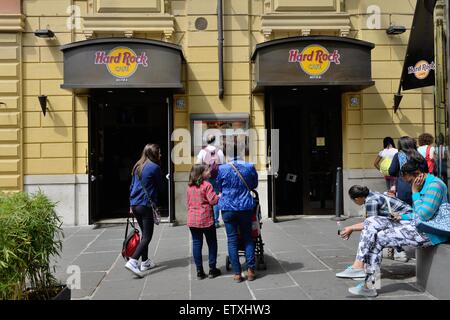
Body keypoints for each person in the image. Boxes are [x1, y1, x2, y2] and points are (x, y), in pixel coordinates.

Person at [346, 158, 449, 297]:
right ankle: (361, 269)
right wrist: (402, 217)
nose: (409, 184)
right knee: (371, 222)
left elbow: (424, 215)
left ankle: (367, 282)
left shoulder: (435, 185)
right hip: (418, 226)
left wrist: (415, 192)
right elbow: (417, 213)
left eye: (409, 180)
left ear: (418, 174)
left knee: (380, 238)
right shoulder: (422, 183)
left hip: (430, 233)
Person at [335, 185, 413, 280]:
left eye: (353, 200)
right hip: (402, 219)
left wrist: (351, 228)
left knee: (371, 234)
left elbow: (371, 223)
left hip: (406, 221)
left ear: (357, 198)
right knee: (374, 236)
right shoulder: (372, 195)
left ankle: (361, 269)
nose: (354, 202)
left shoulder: (371, 201)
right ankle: (367, 272)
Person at [216, 138, 258, 282]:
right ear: (240, 151)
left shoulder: (222, 168)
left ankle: (237, 273)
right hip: (245, 206)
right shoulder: (249, 166)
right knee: (248, 237)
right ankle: (251, 270)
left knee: (232, 240)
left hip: (228, 207)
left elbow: (219, 187)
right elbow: (254, 184)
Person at [126, 144, 163, 277]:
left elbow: (131, 185)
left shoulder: (137, 165)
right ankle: (133, 261)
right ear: (153, 154)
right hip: (146, 204)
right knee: (147, 236)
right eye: (159, 152)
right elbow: (161, 187)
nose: (161, 155)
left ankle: (145, 262)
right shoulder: (155, 168)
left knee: (144, 234)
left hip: (135, 204)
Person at [186, 164, 222, 280]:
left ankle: (199, 271)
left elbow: (188, 203)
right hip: (206, 219)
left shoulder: (189, 187)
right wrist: (219, 196)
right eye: (206, 170)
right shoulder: (207, 185)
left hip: (192, 219)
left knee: (197, 244)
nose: (209, 171)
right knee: (212, 243)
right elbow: (213, 201)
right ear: (200, 174)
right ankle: (212, 269)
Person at [388, 136, 428, 206]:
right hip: (420, 186)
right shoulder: (419, 156)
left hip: (404, 187)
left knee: (406, 210)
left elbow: (391, 171)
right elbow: (426, 171)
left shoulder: (398, 155)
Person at [196, 134, 225, 228]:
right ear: (214, 140)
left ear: (206, 141)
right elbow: (223, 164)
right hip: (217, 177)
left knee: (206, 197)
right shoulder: (219, 151)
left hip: (206, 177)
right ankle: (216, 221)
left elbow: (197, 164)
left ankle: (208, 219)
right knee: (216, 197)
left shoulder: (202, 151)